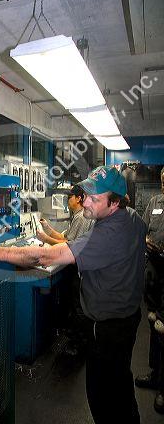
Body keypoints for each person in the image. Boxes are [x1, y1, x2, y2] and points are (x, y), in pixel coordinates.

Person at [0, 165, 146, 424]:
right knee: (121, 386)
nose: (85, 201)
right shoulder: (131, 217)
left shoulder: (107, 234)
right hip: (128, 318)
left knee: (103, 396)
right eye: (86, 193)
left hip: (108, 328)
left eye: (94, 198)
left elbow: (45, 255)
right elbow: (141, 232)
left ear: (113, 203)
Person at [36, 185, 94, 355]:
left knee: (78, 306)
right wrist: (46, 228)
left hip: (82, 269)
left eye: (70, 197)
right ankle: (75, 334)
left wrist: (44, 239)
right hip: (77, 267)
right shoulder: (76, 217)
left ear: (78, 198)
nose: (67, 200)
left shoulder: (82, 217)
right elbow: (63, 237)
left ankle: (79, 344)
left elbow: (70, 246)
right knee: (74, 303)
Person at [135, 166, 164, 414]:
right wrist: (147, 242)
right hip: (154, 273)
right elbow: (143, 230)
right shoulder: (155, 201)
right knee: (154, 325)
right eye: (163, 181)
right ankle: (156, 374)